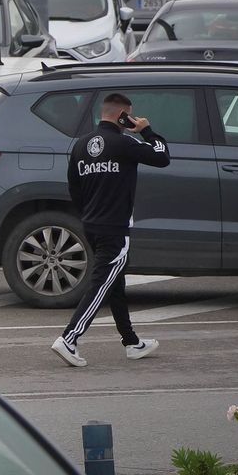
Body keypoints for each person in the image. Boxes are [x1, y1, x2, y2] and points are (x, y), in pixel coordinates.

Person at [52, 92, 170, 368]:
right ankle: (69, 338)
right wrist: (146, 130)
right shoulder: (124, 142)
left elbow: (74, 189)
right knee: (102, 284)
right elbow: (163, 157)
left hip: (92, 226)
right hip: (115, 229)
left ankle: (131, 342)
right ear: (123, 116)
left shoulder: (80, 146)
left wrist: (89, 214)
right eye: (130, 115)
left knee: (114, 284)